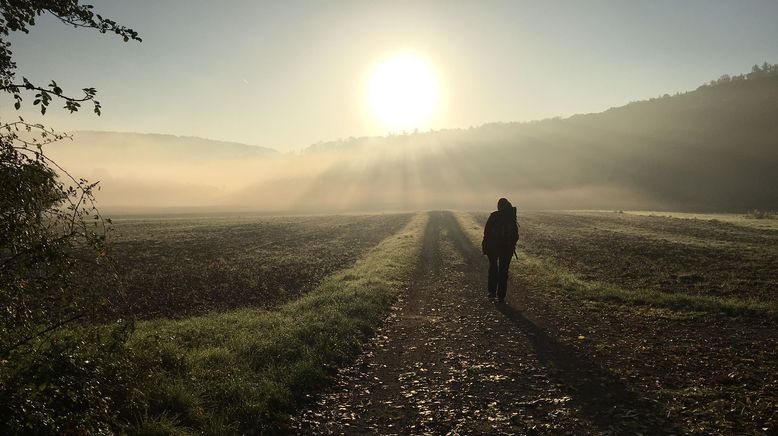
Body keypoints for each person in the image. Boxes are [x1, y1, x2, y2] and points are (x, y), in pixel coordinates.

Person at [482, 198, 519, 303]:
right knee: (503, 271)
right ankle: (501, 296)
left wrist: (485, 246)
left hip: (493, 248)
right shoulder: (511, 217)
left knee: (493, 268)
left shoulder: (494, 216)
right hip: (507, 249)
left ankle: (491, 293)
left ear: (499, 206)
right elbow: (515, 235)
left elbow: (487, 232)